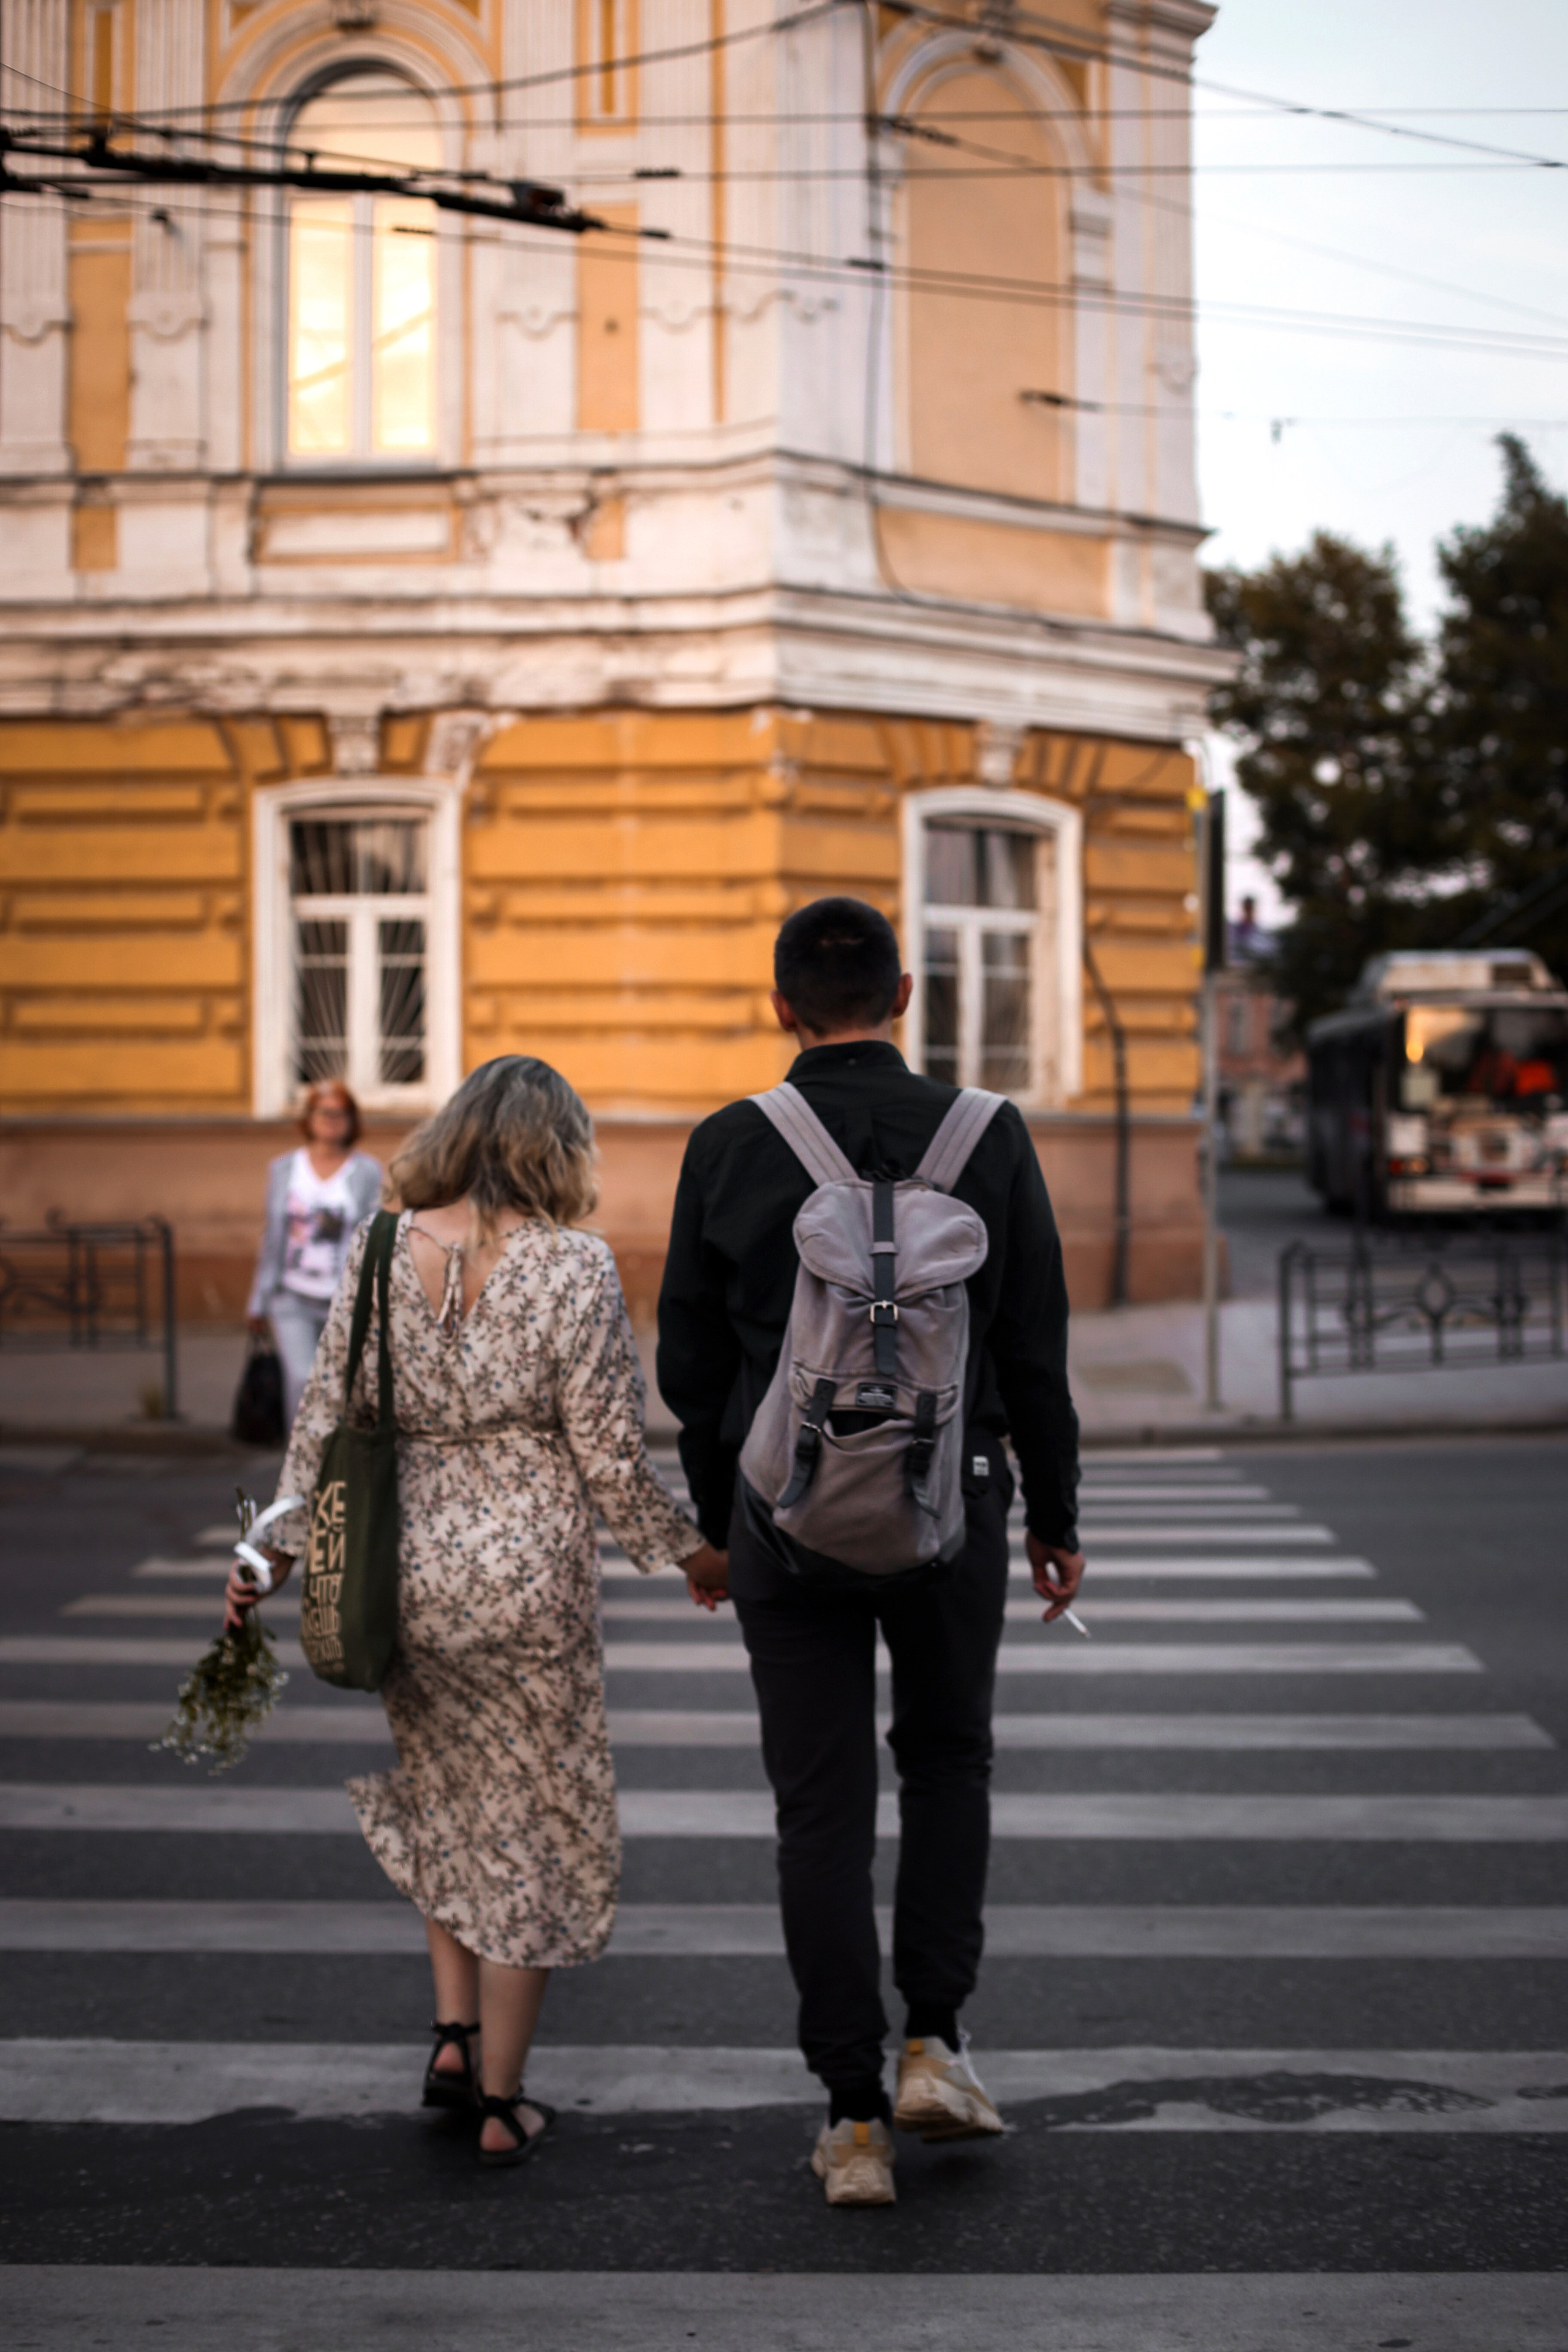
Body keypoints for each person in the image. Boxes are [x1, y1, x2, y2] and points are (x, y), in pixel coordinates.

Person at [657, 897, 1084, 2207]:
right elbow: (1032, 1346)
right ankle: (932, 2048)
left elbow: (687, 1364)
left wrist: (718, 1526)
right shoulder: (988, 1135)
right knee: (948, 1763)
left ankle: (848, 2120)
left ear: (780, 1003)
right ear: (903, 997)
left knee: (819, 1812)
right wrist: (1053, 1517)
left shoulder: (730, 1144)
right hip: (950, 1504)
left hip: (783, 1522)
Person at [226, 1056, 727, 2165]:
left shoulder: (374, 1253)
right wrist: (695, 1553)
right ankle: (503, 2101)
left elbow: (321, 1430)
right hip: (531, 1585)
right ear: (559, 1148)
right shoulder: (576, 1267)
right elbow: (609, 1457)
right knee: (537, 1829)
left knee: (446, 1800)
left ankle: (454, 2039)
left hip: (407, 1573)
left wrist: (268, 1555)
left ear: (453, 1134)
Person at [246, 1081, 383, 1427]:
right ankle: (303, 1462)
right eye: (324, 1111)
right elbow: (273, 1235)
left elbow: (374, 1234)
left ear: (353, 1121)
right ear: (308, 1118)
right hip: (291, 1295)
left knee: (344, 1386)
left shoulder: (367, 1171)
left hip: (346, 1300)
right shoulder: (284, 1168)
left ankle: (338, 1464)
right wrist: (258, 1299)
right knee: (303, 1379)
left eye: (341, 1113)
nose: (332, 1120)